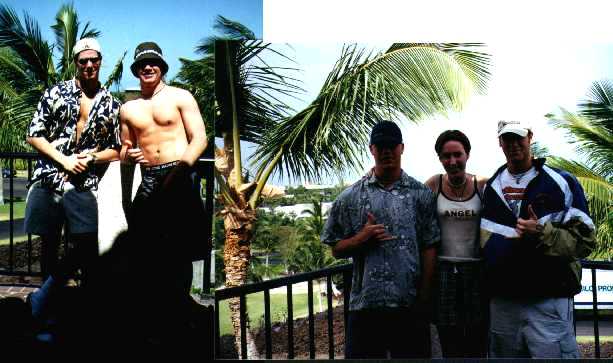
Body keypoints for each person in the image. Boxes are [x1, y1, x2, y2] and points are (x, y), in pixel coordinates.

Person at [321, 121, 440, 359]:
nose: (387, 151)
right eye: (381, 145)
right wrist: (361, 239)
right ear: (372, 149)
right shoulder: (350, 197)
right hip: (365, 307)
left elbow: (429, 246)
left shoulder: (421, 195)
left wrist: (425, 296)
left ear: (402, 148)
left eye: (392, 145)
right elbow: (336, 248)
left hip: (409, 306)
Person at [25, 38, 121, 324]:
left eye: (94, 60)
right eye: (83, 61)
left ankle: (84, 308)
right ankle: (46, 307)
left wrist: (92, 158)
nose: (89, 65)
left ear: (101, 61)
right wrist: (64, 160)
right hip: (49, 179)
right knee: (49, 243)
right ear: (76, 63)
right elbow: (34, 134)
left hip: (85, 185)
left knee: (87, 245)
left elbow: (117, 149)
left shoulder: (112, 105)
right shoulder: (55, 92)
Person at [481, 120, 596, 358]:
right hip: (504, 302)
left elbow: (585, 241)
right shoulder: (490, 188)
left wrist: (543, 233)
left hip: (548, 299)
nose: (513, 145)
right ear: (499, 143)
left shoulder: (561, 182)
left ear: (530, 137)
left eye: (518, 138)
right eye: (507, 139)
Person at [119, 41, 208, 345]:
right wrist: (127, 158)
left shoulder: (181, 96)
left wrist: (180, 171)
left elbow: (200, 139)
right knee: (145, 251)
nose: (147, 67)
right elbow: (125, 149)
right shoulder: (128, 108)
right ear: (136, 70)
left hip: (180, 173)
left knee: (181, 251)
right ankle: (154, 316)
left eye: (152, 62)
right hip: (149, 179)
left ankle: (181, 314)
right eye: (142, 63)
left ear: (162, 67)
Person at [424, 130, 488, 358]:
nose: (452, 161)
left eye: (457, 155)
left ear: (467, 154)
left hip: (477, 271)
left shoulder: (482, 185)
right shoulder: (434, 184)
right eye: (446, 156)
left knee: (478, 339)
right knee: (449, 343)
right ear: (440, 159)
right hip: (443, 271)